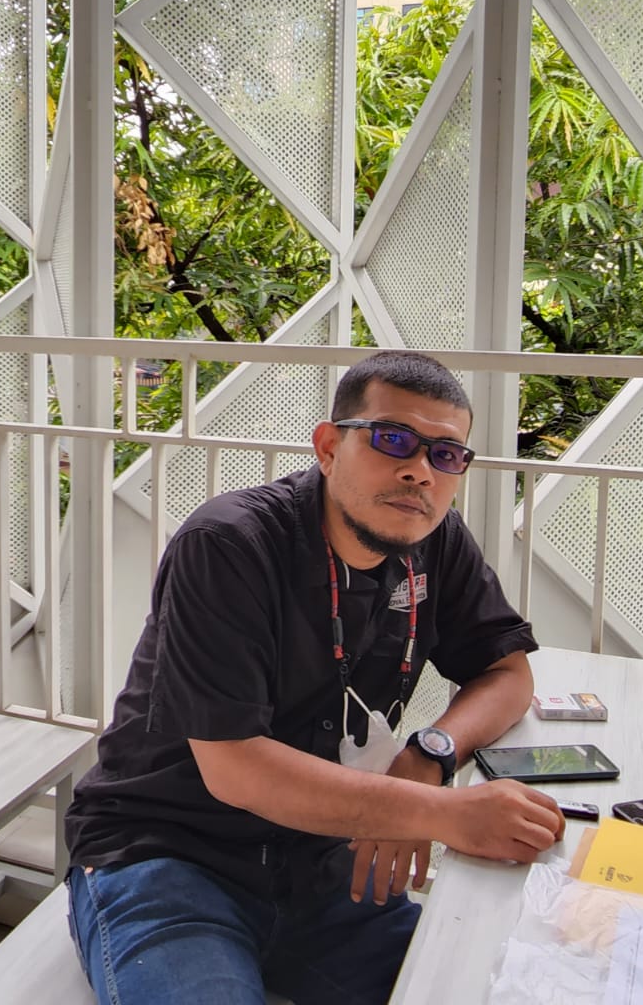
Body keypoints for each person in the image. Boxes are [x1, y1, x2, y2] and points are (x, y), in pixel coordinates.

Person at [63, 351, 564, 1005]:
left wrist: (428, 757)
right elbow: (236, 768)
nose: (419, 470)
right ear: (328, 447)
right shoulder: (229, 543)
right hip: (169, 857)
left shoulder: (433, 540)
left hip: (323, 867)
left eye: (446, 455)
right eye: (393, 440)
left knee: (494, 987)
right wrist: (442, 813)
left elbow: (506, 673)